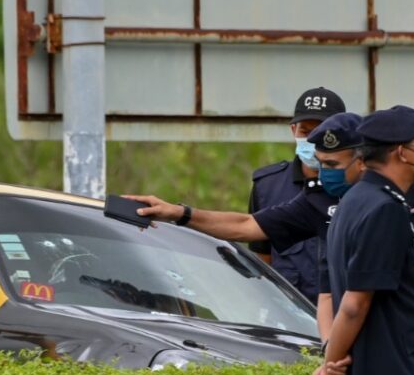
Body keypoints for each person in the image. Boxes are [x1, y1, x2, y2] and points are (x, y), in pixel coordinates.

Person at [126, 111, 365, 341]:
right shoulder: (318, 199)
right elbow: (246, 225)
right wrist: (179, 213)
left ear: (362, 161)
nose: (324, 175)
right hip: (335, 331)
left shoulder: (389, 200)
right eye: (322, 166)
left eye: (332, 165)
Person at [307, 106, 414, 375]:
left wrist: (332, 359)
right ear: (403, 153)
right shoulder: (385, 209)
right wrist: (329, 365)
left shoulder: (352, 204)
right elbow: (354, 304)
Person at [248, 87, 347, 302]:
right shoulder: (268, 186)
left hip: (346, 315)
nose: (313, 139)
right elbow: (261, 261)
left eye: (323, 130)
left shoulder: (358, 184)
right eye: (305, 131)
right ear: (293, 130)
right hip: (290, 317)